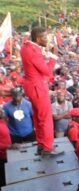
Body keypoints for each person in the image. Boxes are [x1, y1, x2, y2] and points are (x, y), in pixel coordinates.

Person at [20, 26, 63, 156]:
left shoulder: (27, 47)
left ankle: (41, 144)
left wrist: (46, 53)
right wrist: (54, 57)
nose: (47, 40)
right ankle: (48, 148)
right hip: (38, 87)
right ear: (38, 39)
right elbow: (47, 71)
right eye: (45, 37)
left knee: (39, 118)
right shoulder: (33, 51)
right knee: (45, 118)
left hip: (32, 86)